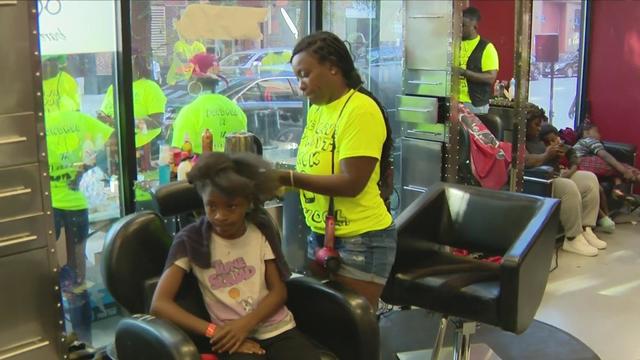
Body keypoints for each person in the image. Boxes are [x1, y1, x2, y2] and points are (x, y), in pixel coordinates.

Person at [150, 152, 321, 360]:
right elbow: (160, 304)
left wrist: (246, 323)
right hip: (229, 339)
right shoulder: (191, 240)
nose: (220, 216)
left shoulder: (259, 230)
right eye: (211, 206)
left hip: (278, 330)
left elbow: (278, 292)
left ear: (248, 202)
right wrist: (215, 331)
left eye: (231, 206)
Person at [278, 31, 396, 309]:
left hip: (361, 240)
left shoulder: (360, 110)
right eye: (297, 77)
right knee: (327, 328)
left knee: (354, 333)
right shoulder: (319, 109)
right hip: (320, 233)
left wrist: (288, 178)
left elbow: (352, 182)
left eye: (305, 74)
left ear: (333, 67)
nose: (300, 85)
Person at [45, 110, 114, 343]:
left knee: (49, 275)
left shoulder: (42, 118)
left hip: (48, 206)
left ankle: (58, 339)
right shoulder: (79, 119)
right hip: (75, 206)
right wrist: (84, 169)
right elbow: (110, 142)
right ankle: (84, 341)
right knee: (76, 279)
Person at [525, 104, 606, 256]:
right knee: (568, 187)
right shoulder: (516, 139)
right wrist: (546, 156)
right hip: (538, 180)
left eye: (540, 124)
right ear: (524, 124)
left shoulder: (541, 138)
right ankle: (573, 238)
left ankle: (586, 229)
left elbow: (570, 152)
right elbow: (524, 161)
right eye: (536, 125)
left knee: (589, 178)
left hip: (556, 175)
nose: (538, 128)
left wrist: (568, 167)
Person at [540, 124, 616, 233]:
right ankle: (578, 233)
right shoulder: (546, 153)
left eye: (554, 139)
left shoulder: (566, 149)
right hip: (559, 179)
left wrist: (570, 171)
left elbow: (574, 161)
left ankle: (596, 223)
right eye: (549, 142)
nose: (553, 143)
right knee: (574, 188)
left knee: (595, 185)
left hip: (573, 173)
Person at [99, 53, 167, 172]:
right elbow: (103, 113)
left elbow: (157, 122)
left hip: (141, 139)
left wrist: (124, 123)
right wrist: (103, 119)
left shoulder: (150, 87)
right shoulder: (113, 88)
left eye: (127, 66)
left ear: (138, 68)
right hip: (114, 138)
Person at [171, 75, 247, 153]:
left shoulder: (189, 111)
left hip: (205, 163)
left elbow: (180, 151)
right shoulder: (236, 109)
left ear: (195, 87)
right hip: (236, 163)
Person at [456, 7, 499, 115]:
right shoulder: (453, 44)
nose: (459, 28)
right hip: (453, 101)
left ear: (474, 26)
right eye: (457, 25)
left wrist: (464, 72)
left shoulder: (487, 48)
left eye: (463, 25)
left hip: (474, 104)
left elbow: (490, 77)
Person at [574, 122, 640, 189]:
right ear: (587, 133)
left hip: (579, 168)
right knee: (616, 166)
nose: (600, 135)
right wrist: (624, 171)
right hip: (581, 164)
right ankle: (634, 174)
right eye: (597, 132)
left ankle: (618, 187)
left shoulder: (581, 144)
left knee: (613, 171)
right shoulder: (589, 140)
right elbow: (605, 156)